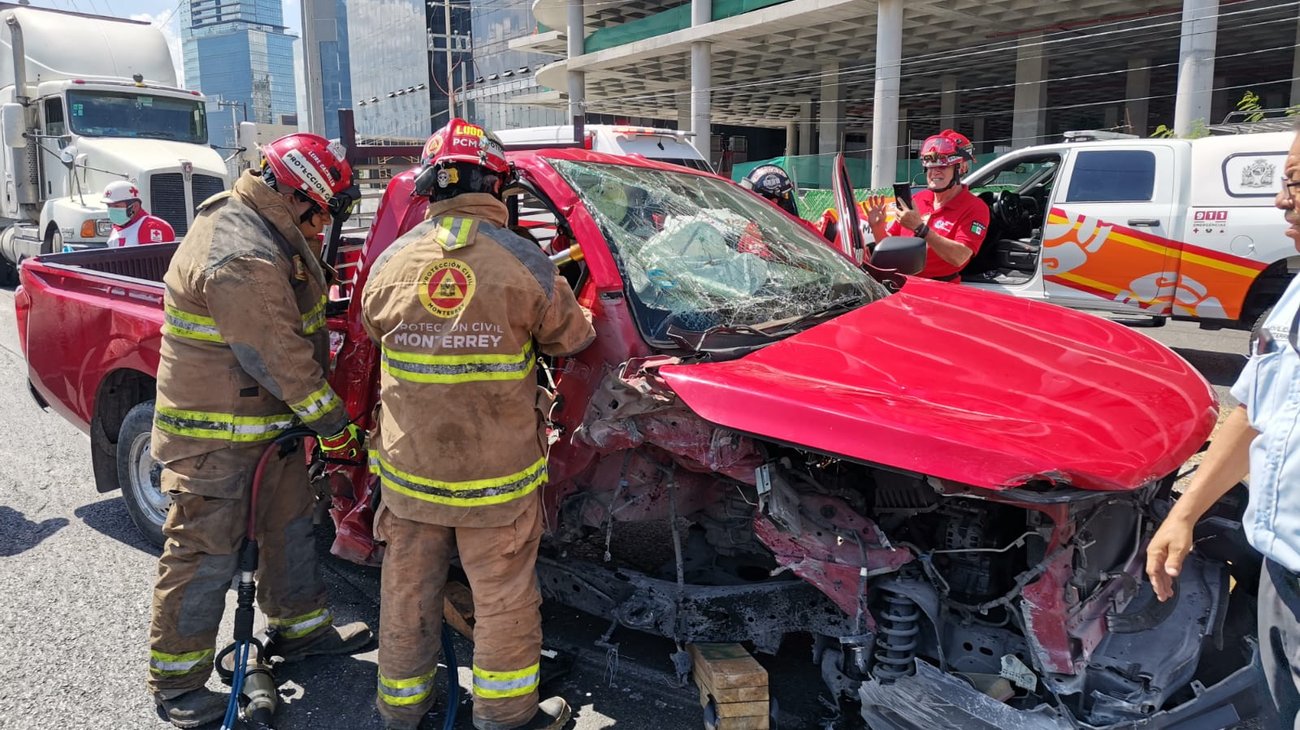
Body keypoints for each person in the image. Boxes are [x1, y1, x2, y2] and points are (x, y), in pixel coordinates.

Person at [361, 118, 595, 730]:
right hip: (496, 481)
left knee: (406, 596)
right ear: (497, 184)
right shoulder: (527, 263)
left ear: (431, 188)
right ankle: (504, 717)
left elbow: (368, 329)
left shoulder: (389, 263)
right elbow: (575, 339)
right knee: (504, 600)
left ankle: (400, 710)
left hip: (409, 477)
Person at [147, 133, 372, 728]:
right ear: (302, 197)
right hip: (215, 442)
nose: (326, 223)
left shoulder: (265, 230)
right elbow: (278, 357)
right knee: (205, 556)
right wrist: (335, 428)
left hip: (266, 431)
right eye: (324, 209)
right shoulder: (241, 251)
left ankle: (300, 632)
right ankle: (178, 685)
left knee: (290, 529)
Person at [1145, 126, 1300, 726]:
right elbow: (1257, 412)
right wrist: (1184, 513)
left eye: (1295, 183)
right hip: (1277, 570)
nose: (1282, 201)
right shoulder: (1294, 295)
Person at [864, 129, 989, 280]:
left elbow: (960, 257)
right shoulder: (917, 199)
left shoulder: (976, 208)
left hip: (940, 291)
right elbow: (890, 250)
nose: (934, 172)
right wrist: (877, 228)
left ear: (961, 168)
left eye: (942, 166)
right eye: (930, 167)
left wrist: (921, 229)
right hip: (902, 285)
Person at [102, 180, 175, 247]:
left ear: (135, 206)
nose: (111, 210)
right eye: (108, 206)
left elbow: (153, 259)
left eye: (116, 206)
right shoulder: (117, 228)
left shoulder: (152, 226)